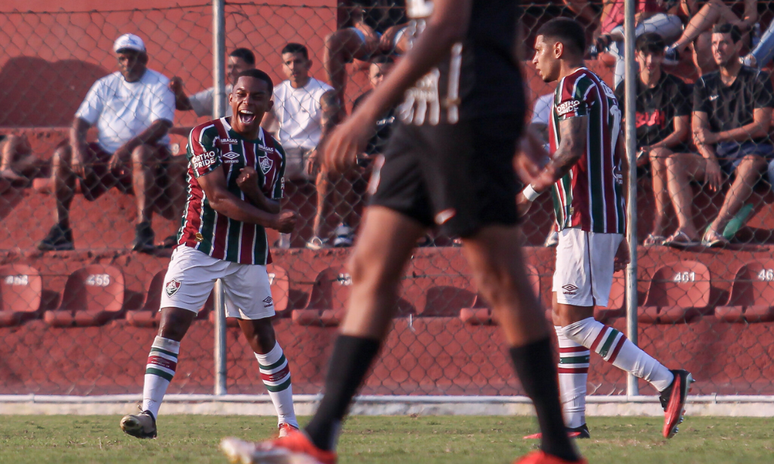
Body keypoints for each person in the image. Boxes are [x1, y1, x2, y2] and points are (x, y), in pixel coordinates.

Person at [221, 2, 587, 464]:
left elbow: (454, 23)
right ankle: (317, 439)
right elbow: (491, 26)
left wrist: (367, 110)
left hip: (467, 109)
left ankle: (557, 448)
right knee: (371, 265)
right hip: (425, 111)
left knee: (501, 277)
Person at [521, 18, 692, 441]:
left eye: (539, 49)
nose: (534, 58)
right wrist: (622, 233)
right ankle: (572, 424)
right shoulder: (607, 94)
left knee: (573, 322)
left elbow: (570, 150)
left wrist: (525, 196)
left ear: (558, 49)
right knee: (567, 319)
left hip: (582, 218)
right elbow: (621, 165)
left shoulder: (570, 88)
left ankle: (667, 381)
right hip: (600, 219)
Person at [119, 69, 300, 440]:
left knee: (262, 338)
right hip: (199, 244)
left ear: (268, 104)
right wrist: (273, 219)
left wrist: (260, 198)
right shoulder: (205, 135)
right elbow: (217, 198)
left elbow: (274, 203)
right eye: (241, 94)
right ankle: (148, 414)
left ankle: (289, 425)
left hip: (247, 253)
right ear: (231, 98)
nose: (248, 101)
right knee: (171, 324)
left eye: (257, 96)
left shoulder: (273, 151)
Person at [36, 33, 182, 253]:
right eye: (122, 58)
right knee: (62, 155)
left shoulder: (160, 83)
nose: (127, 63)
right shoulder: (104, 85)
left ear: (144, 59)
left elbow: (161, 125)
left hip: (149, 151)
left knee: (140, 154)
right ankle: (61, 230)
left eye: (132, 57)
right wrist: (78, 151)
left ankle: (144, 229)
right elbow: (79, 123)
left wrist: (126, 149)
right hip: (106, 151)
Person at [664, 23, 774, 247]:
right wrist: (710, 158)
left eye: (723, 42)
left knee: (751, 162)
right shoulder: (705, 83)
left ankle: (717, 227)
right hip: (719, 158)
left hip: (751, 154)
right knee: (673, 161)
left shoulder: (758, 79)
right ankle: (687, 229)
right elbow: (698, 129)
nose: (718, 48)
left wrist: (717, 137)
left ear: (738, 45)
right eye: (714, 43)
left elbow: (761, 127)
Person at [614, 33, 692, 247]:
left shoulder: (674, 86)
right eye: (645, 55)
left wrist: (650, 149)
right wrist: (628, 151)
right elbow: (614, 129)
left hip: (665, 149)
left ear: (662, 56)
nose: (650, 61)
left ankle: (659, 228)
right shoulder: (626, 88)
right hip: (633, 154)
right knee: (615, 164)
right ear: (636, 56)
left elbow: (680, 132)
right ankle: (623, 230)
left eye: (655, 55)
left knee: (657, 156)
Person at [261, 43, 341, 249]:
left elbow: (330, 124)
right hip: (285, 153)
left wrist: (319, 150)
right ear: (283, 67)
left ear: (309, 64)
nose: (293, 67)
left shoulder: (324, 92)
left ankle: (318, 234)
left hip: (314, 152)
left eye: (298, 61)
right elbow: (262, 128)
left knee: (326, 169)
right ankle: (281, 237)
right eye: (288, 63)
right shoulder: (277, 93)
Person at [324, 0, 409, 111]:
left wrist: (394, 29)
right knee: (332, 41)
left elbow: (420, 17)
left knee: (417, 39)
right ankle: (337, 107)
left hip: (400, 30)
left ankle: (422, 97)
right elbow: (357, 17)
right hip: (369, 34)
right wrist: (366, 31)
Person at [593, 0, 688, 87]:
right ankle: (623, 97)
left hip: (657, 23)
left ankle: (622, 100)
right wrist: (599, 28)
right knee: (626, 46)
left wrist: (645, 15)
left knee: (675, 21)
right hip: (619, 31)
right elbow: (608, 9)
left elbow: (674, 11)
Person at [664, 0, 757, 74]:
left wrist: (736, 25)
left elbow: (751, 16)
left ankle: (677, 47)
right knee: (703, 39)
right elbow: (691, 13)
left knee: (715, 4)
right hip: (710, 30)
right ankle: (708, 87)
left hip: (739, 31)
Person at [168, 48, 256, 119]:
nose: (231, 71)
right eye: (229, 67)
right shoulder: (220, 93)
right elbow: (184, 105)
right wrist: (178, 90)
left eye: (237, 67)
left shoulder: (264, 94)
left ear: (251, 68)